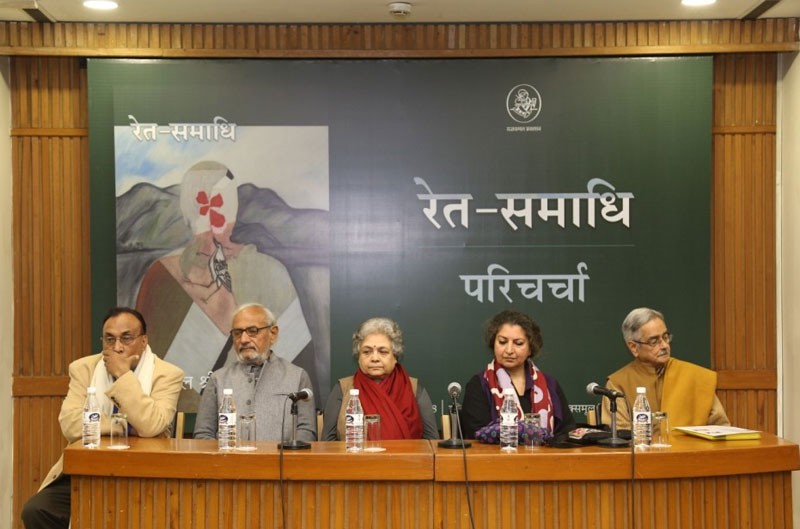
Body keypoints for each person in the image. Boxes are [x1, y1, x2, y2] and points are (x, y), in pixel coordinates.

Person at [21, 308, 183, 529]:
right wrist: (123, 425)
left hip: (146, 474)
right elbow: (70, 424)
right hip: (87, 471)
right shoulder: (84, 368)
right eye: (110, 339)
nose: (117, 347)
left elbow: (151, 425)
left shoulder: (167, 374)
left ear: (144, 341)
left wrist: (123, 375)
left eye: (126, 338)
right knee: (36, 510)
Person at [193, 303, 316, 442]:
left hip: (281, 456)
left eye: (252, 331)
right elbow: (203, 433)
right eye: (237, 333)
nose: (244, 340)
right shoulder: (218, 379)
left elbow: (307, 431)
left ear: (273, 334)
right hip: (228, 456)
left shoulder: (297, 376)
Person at [601, 307, 730, 429]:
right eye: (654, 341)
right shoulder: (618, 384)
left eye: (665, 337)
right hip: (642, 446)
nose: (664, 346)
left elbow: (721, 428)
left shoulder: (696, 377)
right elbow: (619, 434)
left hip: (691, 446)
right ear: (633, 347)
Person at [460, 310, 576, 442]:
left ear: (531, 348)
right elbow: (477, 435)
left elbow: (568, 431)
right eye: (502, 342)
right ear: (493, 344)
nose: (509, 350)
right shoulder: (479, 384)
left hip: (547, 455)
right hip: (498, 455)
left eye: (518, 343)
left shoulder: (550, 383)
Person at [321, 317, 438, 441]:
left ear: (395, 356)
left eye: (383, 352)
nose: (374, 358)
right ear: (358, 357)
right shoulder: (343, 389)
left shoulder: (414, 389)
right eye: (367, 352)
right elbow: (328, 442)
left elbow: (432, 442)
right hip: (353, 454)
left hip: (408, 455)